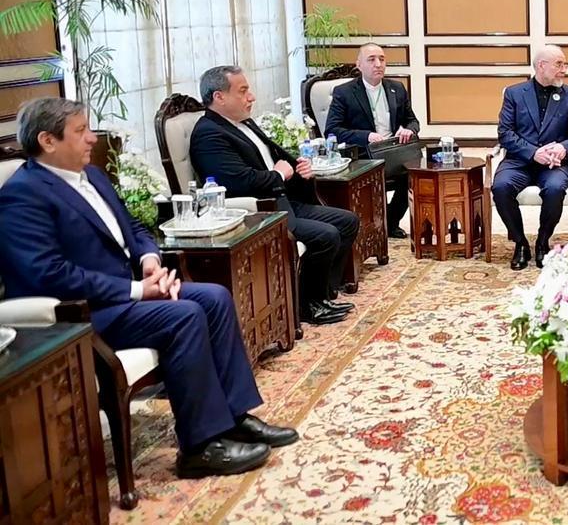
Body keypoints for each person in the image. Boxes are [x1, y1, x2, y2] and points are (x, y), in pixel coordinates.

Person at [0, 98, 299, 477]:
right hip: (85, 312)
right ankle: (200, 446)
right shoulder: (23, 195)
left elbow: (134, 229)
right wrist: (139, 290)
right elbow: (49, 274)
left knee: (214, 297)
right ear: (47, 140)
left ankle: (233, 416)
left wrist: (150, 262)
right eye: (81, 131)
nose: (92, 138)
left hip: (130, 290)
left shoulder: (90, 176)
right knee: (185, 315)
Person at [189, 65, 357, 326]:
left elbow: (275, 158)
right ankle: (306, 306)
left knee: (346, 221)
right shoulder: (209, 134)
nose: (251, 97)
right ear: (218, 97)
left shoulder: (243, 123)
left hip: (284, 200)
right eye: (243, 91)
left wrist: (300, 169)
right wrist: (279, 175)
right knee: (326, 235)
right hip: (262, 211)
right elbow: (239, 181)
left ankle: (321, 294)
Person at [492, 45, 568, 270]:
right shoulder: (515, 93)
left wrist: (564, 148)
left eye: (564, 64)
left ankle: (543, 242)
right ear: (541, 66)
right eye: (559, 64)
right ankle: (520, 243)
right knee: (501, 186)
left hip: (556, 164)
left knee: (555, 188)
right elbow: (505, 133)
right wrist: (533, 153)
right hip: (520, 161)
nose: (564, 69)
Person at [323, 43, 420, 238]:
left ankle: (390, 222)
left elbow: (413, 121)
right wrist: (365, 136)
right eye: (371, 59)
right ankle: (374, 223)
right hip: (363, 155)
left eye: (382, 59)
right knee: (371, 180)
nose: (378, 64)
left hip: (393, 152)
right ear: (359, 65)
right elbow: (332, 130)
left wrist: (408, 130)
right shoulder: (344, 92)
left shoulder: (396, 88)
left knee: (413, 174)